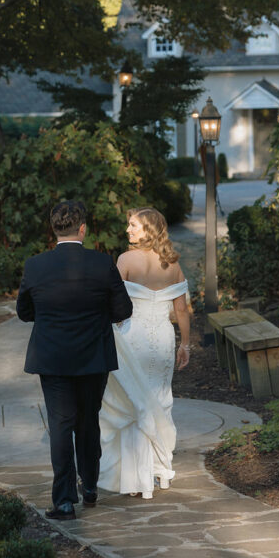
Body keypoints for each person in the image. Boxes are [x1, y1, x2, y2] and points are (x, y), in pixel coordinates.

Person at [17, 200, 133, 521]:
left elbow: (24, 312)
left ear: (54, 229)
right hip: (93, 357)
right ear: (83, 229)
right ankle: (91, 485)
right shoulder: (101, 263)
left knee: (60, 424)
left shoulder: (35, 266)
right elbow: (123, 310)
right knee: (88, 420)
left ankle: (65, 501)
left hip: (52, 358)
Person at [98, 207, 190, 500]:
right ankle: (160, 471)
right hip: (163, 338)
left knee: (134, 400)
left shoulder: (125, 260)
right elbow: (181, 310)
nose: (128, 230)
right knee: (159, 398)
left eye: (134, 226)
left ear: (148, 229)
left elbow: (110, 301)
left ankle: (136, 479)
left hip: (131, 337)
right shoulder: (173, 264)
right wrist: (185, 344)